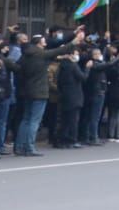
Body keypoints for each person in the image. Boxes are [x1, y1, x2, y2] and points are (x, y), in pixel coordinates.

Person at [6, 27, 84, 157]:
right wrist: (74, 42)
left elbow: (17, 68)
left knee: (26, 119)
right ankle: (29, 147)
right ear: (38, 43)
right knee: (34, 120)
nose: (45, 43)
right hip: (39, 91)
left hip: (26, 91)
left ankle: (19, 146)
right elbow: (59, 49)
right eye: (43, 42)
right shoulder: (41, 54)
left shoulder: (25, 55)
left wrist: (5, 61)